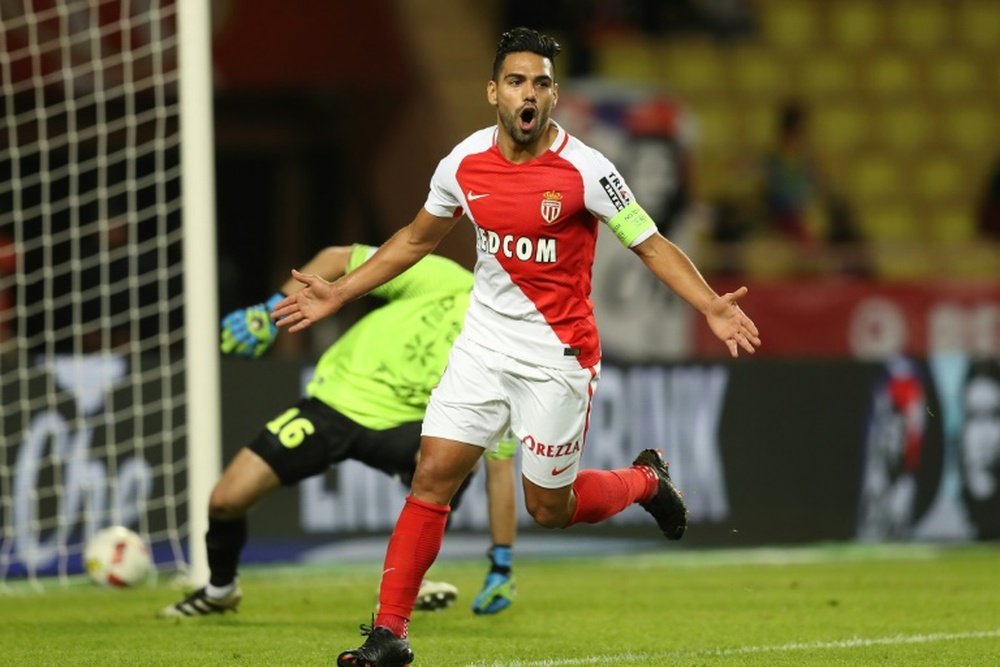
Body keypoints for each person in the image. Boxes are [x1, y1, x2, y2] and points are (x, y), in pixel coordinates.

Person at [273, 27, 760, 667]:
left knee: (547, 508)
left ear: (553, 95)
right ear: (493, 92)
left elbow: (650, 242)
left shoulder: (588, 169)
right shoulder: (463, 162)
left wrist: (709, 304)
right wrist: (340, 293)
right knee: (432, 476)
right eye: (515, 81)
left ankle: (645, 482)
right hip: (482, 347)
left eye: (540, 83)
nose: (528, 93)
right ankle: (389, 634)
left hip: (557, 358)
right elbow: (415, 240)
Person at [159, 243, 518, 618]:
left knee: (460, 459)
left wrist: (502, 563)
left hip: (407, 426)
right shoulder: (444, 280)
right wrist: (270, 312)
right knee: (225, 500)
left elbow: (499, 470)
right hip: (335, 402)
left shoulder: (507, 363)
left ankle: (405, 581)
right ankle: (220, 591)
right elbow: (334, 260)